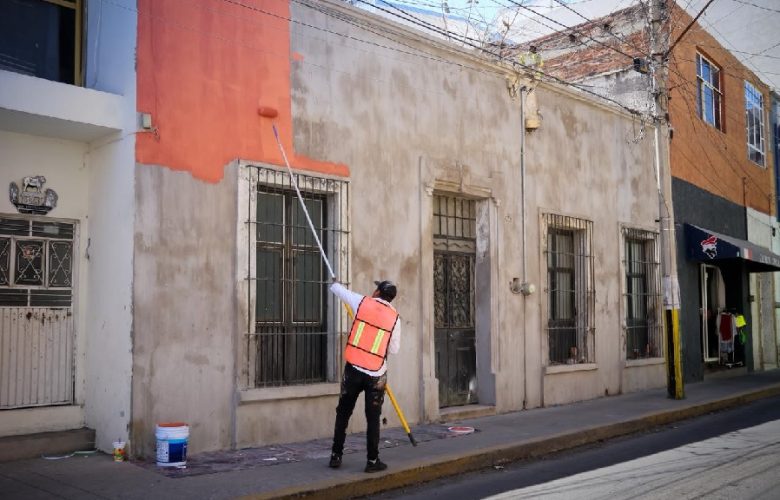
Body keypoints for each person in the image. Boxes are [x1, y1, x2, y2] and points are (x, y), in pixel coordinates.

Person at [328, 279, 401, 473]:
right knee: (373, 418)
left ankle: (336, 455)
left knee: (343, 413)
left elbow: (339, 291)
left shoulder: (362, 302)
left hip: (353, 370)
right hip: (376, 375)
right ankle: (372, 460)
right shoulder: (395, 318)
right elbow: (394, 349)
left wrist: (334, 283)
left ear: (377, 292)